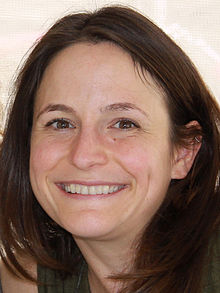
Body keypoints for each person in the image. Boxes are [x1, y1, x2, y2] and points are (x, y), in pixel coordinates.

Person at [0, 5, 219, 293]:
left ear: (184, 152)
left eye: (125, 124)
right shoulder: (27, 280)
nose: (84, 155)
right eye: (61, 123)